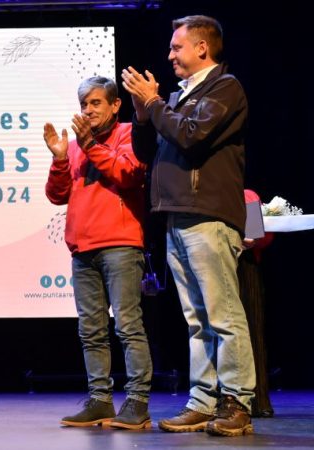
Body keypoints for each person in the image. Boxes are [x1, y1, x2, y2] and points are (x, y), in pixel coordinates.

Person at [122, 15, 255, 437]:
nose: (170, 55)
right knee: (196, 318)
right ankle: (203, 400)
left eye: (177, 48)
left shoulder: (224, 88)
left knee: (223, 314)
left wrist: (158, 105)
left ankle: (237, 401)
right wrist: (145, 114)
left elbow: (193, 136)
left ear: (202, 48)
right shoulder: (179, 96)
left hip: (209, 215)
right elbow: (150, 152)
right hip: (177, 214)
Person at [44, 77, 152, 430]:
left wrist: (89, 144)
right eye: (84, 105)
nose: (88, 111)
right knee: (91, 330)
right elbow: (58, 195)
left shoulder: (127, 134)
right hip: (82, 248)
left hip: (120, 245)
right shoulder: (76, 146)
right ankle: (100, 401)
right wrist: (61, 159)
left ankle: (137, 402)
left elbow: (128, 173)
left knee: (127, 326)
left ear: (115, 105)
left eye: (95, 103)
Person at [240, 189, 275, 418]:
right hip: (216, 263)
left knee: (253, 333)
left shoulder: (247, 196)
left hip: (246, 266)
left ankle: (259, 399)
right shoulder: (208, 196)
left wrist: (250, 238)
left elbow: (259, 236)